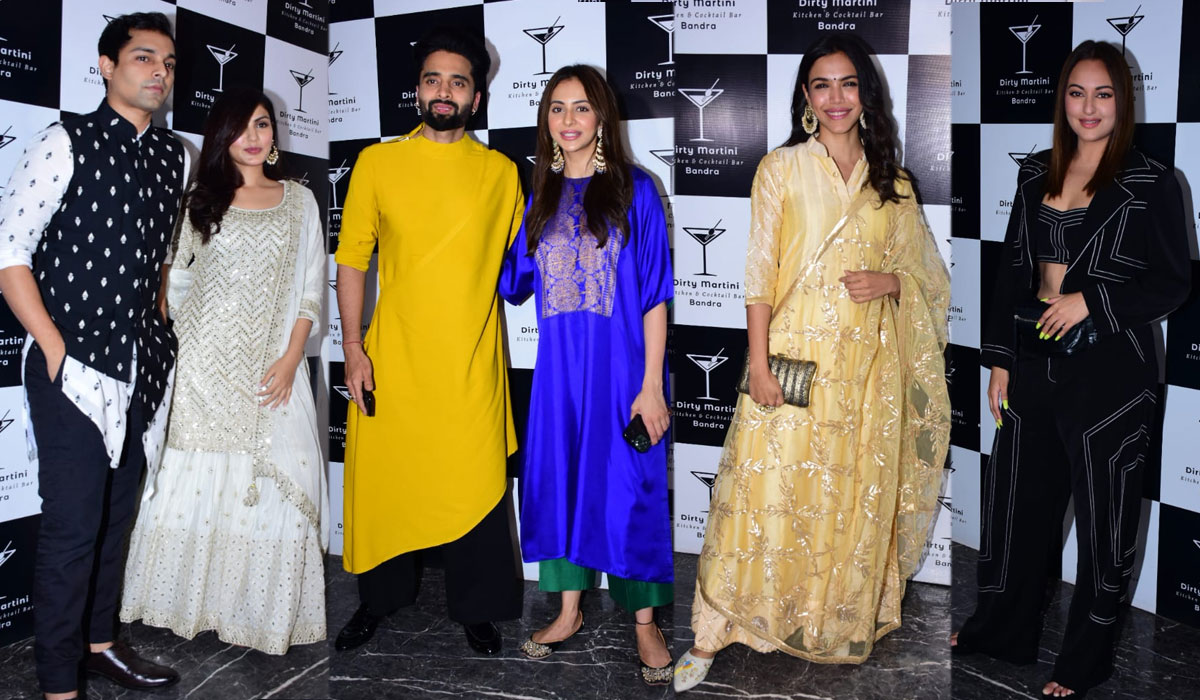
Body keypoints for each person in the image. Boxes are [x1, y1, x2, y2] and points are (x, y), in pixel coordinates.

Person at [673, 32, 951, 692]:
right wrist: (760, 366)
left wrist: (893, 285)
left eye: (848, 84)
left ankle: (822, 618)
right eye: (822, 85)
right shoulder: (781, 169)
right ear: (805, 96)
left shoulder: (895, 183)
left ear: (866, 94)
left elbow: (926, 279)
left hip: (867, 375)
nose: (836, 98)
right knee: (761, 494)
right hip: (793, 362)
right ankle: (714, 632)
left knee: (846, 496)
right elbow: (758, 278)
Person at [953, 40, 1190, 698]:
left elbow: (1172, 284)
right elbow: (1009, 277)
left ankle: (1085, 661)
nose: (1089, 107)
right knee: (1017, 513)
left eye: (1104, 93)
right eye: (1078, 93)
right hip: (1034, 368)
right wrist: (1000, 361)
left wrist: (1092, 299)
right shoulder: (1036, 172)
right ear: (1063, 99)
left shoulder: (1153, 183)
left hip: (1112, 378)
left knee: (1104, 527)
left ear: (1123, 101)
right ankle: (1002, 629)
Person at [0, 12, 185, 700]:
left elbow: (160, 261)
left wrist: (161, 334)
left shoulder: (174, 156)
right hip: (72, 368)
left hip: (142, 366)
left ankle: (101, 645)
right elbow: (9, 252)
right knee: (73, 529)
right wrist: (52, 346)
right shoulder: (63, 140)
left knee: (114, 521)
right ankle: (57, 684)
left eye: (167, 61)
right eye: (143, 58)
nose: (159, 72)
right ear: (107, 66)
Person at [332, 25, 524, 655]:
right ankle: (377, 602)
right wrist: (354, 349)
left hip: (470, 363)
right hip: (394, 356)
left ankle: (477, 609)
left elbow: (527, 266)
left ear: (477, 96)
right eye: (433, 79)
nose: (444, 92)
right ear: (418, 89)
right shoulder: (378, 162)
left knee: (473, 483)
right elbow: (354, 258)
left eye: (458, 82)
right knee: (388, 483)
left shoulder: (500, 174)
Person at [118, 88, 327, 654]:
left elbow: (310, 292)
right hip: (201, 366)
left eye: (262, 125)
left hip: (269, 368)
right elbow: (173, 282)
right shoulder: (199, 200)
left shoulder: (300, 201)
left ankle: (254, 612)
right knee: (193, 477)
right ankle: (183, 604)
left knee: (273, 484)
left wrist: (289, 360)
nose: (254, 137)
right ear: (221, 138)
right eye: (241, 128)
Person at [498, 64, 674, 686]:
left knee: (632, 490)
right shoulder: (538, 198)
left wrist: (651, 385)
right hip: (559, 381)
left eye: (580, 108)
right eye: (556, 109)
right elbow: (513, 285)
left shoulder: (636, 193)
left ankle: (645, 622)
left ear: (601, 118)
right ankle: (568, 611)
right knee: (563, 484)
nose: (567, 120)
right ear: (545, 120)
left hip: (625, 373)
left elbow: (655, 296)